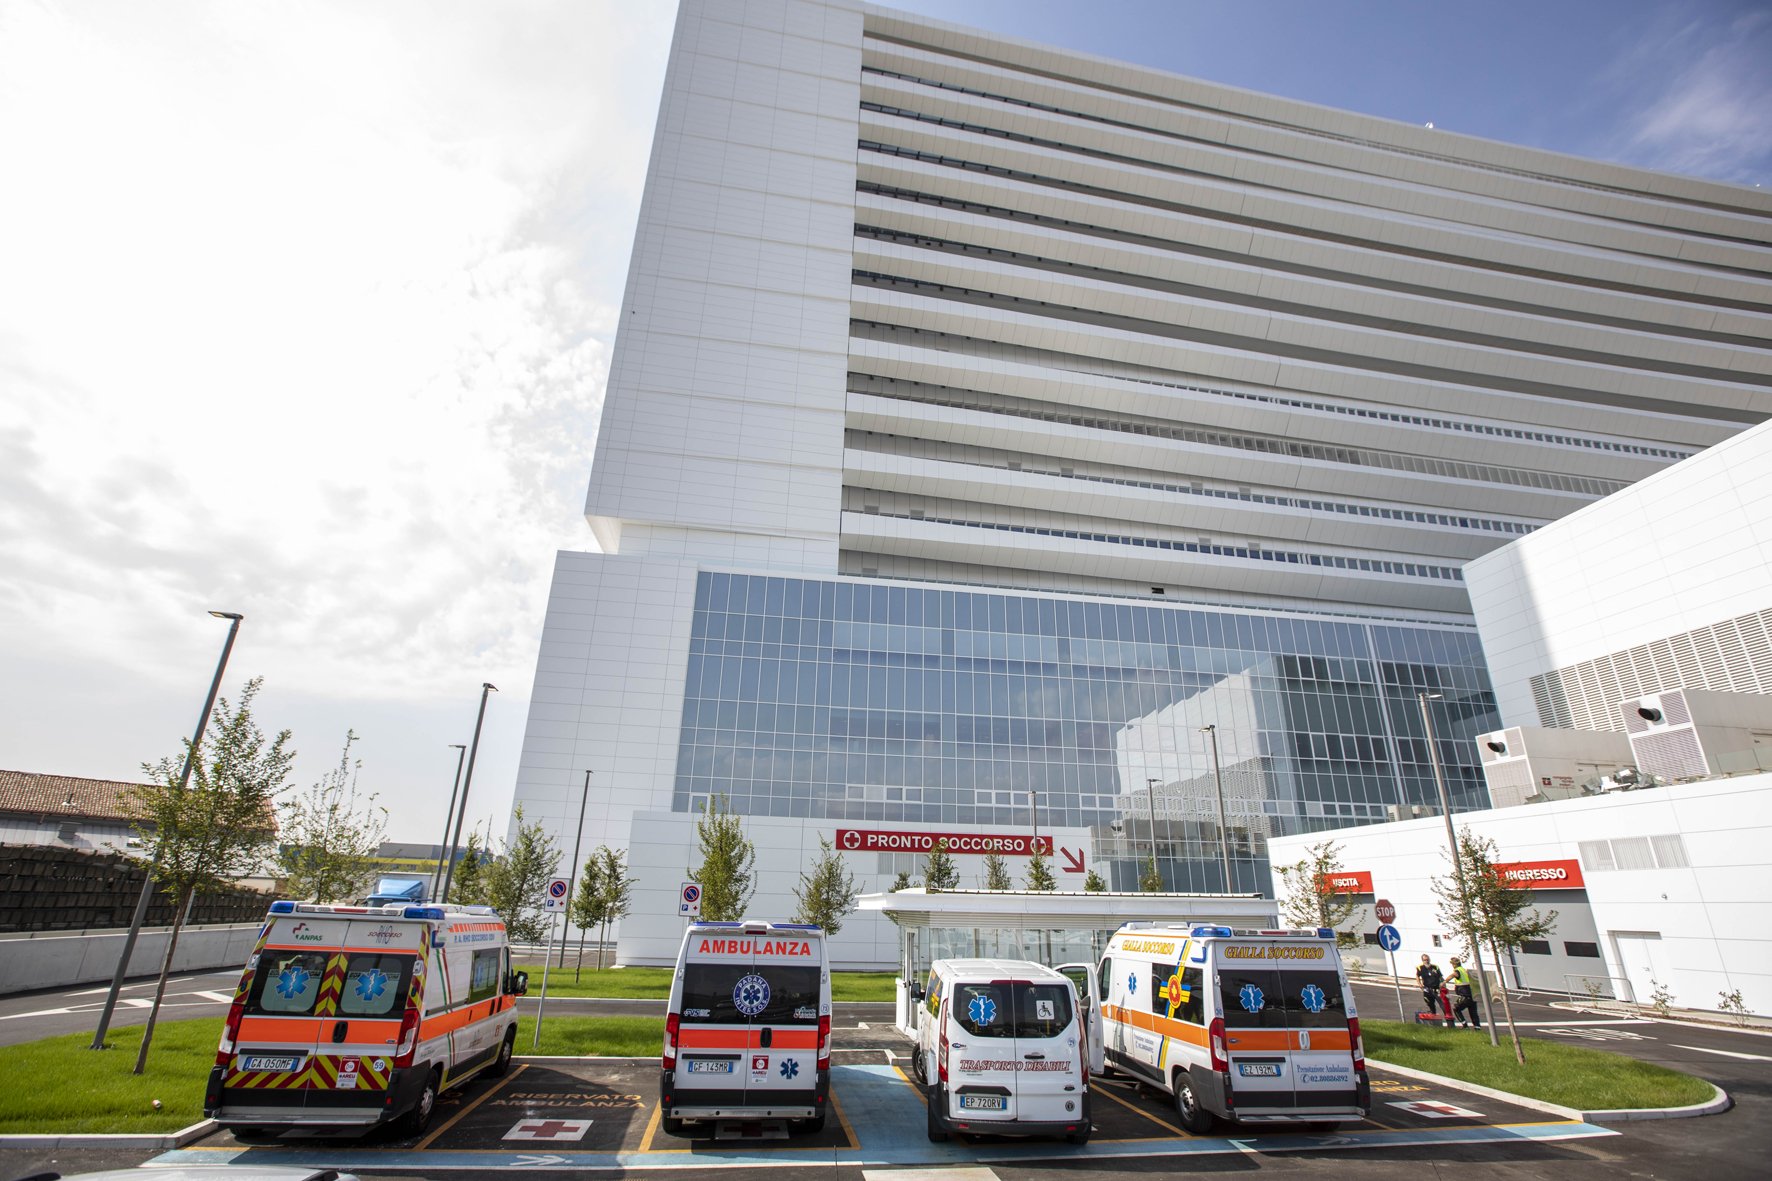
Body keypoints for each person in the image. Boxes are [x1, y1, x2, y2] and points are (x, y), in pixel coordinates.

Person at [1449, 956, 1482, 1029]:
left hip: (1465, 995)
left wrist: (1444, 981)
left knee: (1456, 1008)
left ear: (1454, 964)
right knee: (1473, 1012)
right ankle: (1477, 1027)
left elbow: (1453, 975)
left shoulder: (1457, 971)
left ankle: (1465, 1025)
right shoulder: (1464, 970)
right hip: (1472, 994)